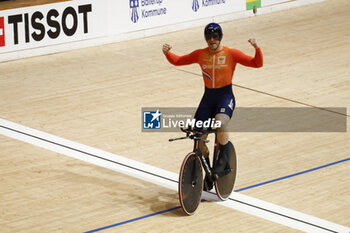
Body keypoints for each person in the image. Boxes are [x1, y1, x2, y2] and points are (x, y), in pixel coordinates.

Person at [162, 22, 263, 191]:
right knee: (197, 135)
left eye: (215, 36)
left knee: (220, 122)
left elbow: (256, 63)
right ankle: (208, 171)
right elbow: (179, 61)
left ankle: (223, 160)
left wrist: (257, 48)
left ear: (220, 37)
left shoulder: (231, 53)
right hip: (208, 99)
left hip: (225, 97)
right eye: (208, 36)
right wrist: (167, 53)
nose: (211, 39)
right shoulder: (200, 54)